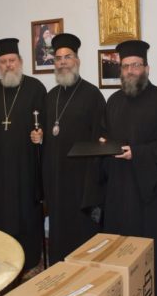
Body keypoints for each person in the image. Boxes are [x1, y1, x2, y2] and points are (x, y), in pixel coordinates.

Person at [100, 39, 157, 296]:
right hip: (119, 187)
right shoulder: (113, 101)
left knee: (151, 245)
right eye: (125, 66)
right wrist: (104, 145)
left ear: (147, 68)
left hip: (150, 191)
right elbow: (105, 136)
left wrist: (138, 153)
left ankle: (154, 295)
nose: (130, 70)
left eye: (136, 65)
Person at [30, 33, 106, 264]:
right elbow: (47, 131)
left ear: (77, 61)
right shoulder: (50, 97)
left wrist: (93, 182)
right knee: (58, 229)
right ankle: (58, 270)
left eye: (68, 57)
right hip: (56, 179)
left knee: (82, 232)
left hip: (82, 180)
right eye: (59, 58)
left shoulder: (92, 95)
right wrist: (39, 137)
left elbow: (100, 140)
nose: (63, 62)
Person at [0, 38, 46, 271]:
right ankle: (7, 257)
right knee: (4, 211)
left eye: (12, 60)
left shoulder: (36, 88)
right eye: (3, 61)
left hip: (28, 163)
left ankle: (31, 258)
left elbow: (46, 121)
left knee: (28, 211)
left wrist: (41, 134)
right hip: (1, 165)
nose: (8, 65)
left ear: (20, 61)